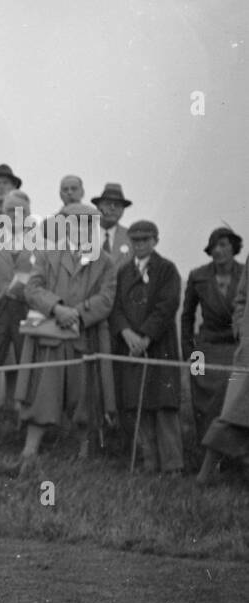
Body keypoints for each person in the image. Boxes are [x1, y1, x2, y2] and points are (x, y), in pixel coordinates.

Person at [12, 203, 117, 471]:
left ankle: (83, 452)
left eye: (87, 223)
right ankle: (30, 450)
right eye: (74, 222)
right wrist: (57, 308)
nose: (81, 228)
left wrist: (78, 313)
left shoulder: (105, 261)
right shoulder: (48, 254)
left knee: (84, 397)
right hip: (51, 336)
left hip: (84, 338)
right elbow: (32, 290)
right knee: (42, 394)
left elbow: (106, 299)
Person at [109, 220, 182, 473]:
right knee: (137, 406)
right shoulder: (123, 272)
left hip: (158, 346)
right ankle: (147, 463)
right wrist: (127, 333)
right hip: (129, 347)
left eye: (145, 240)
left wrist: (146, 337)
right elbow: (115, 307)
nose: (140, 245)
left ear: (155, 241)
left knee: (163, 406)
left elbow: (167, 305)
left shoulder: (167, 270)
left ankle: (172, 466)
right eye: (135, 240)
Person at [182, 226, 244, 446]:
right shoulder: (198, 276)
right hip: (203, 348)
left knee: (234, 401)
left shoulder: (245, 274)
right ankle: (206, 455)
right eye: (213, 246)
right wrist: (189, 352)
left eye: (223, 245)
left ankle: (231, 454)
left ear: (234, 247)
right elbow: (186, 316)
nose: (218, 251)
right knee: (201, 402)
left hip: (235, 348)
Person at [0, 190, 36, 421]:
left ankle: (27, 425)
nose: (14, 215)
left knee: (29, 369)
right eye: (9, 210)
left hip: (27, 311)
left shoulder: (41, 242)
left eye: (20, 210)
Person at [196, 269, 249, 484]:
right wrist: (241, 329)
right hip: (247, 355)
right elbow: (241, 300)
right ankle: (205, 475)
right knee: (232, 412)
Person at [92, 182, 133, 259]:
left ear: (123, 210)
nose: (112, 208)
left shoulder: (131, 238)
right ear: (98, 207)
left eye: (117, 205)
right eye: (107, 204)